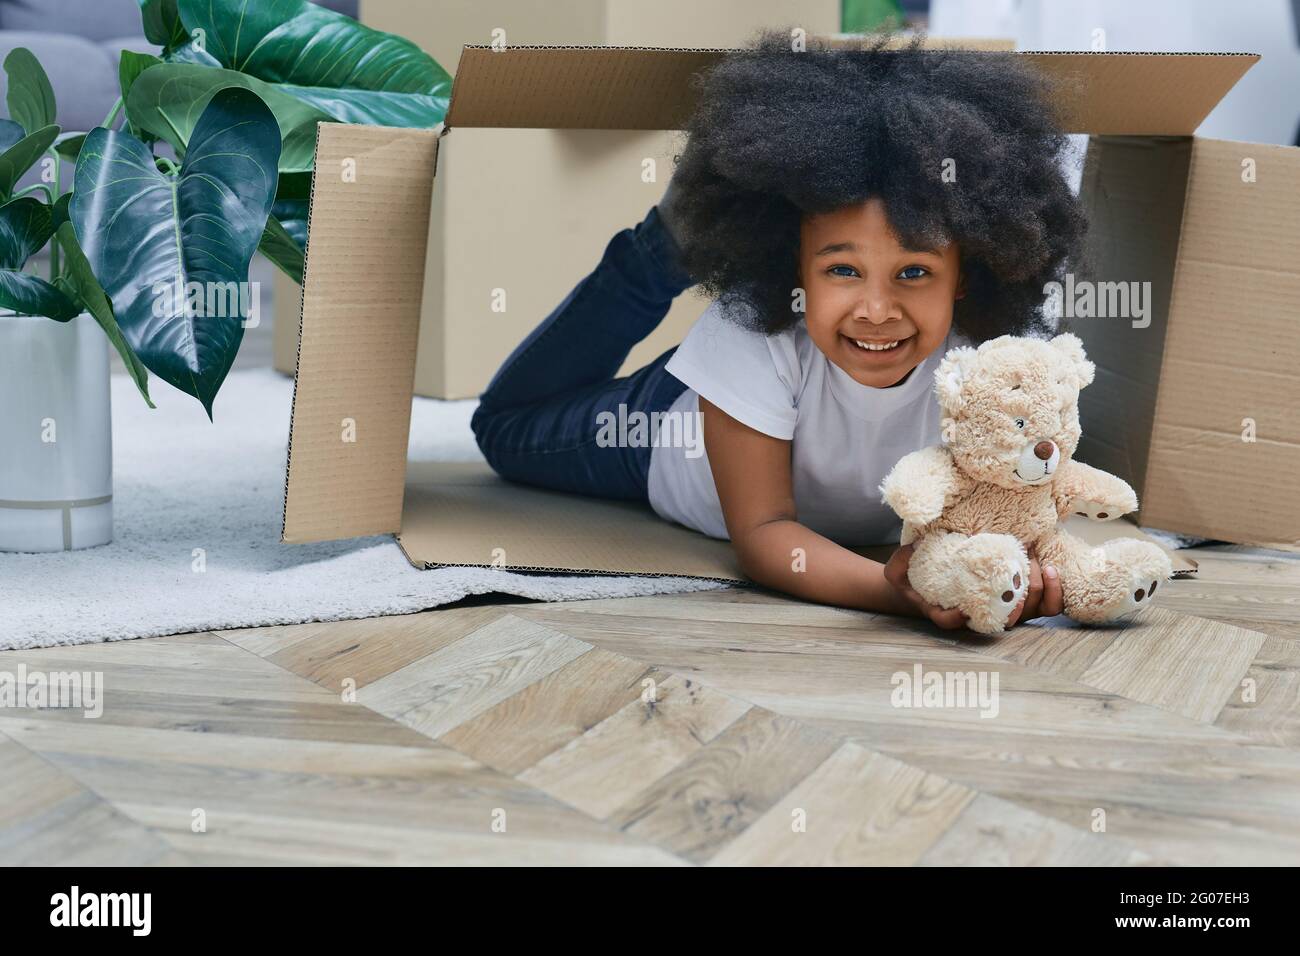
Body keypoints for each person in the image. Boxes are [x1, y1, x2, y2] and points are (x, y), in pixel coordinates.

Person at [471, 33, 1086, 630]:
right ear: (794, 268)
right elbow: (765, 535)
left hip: (765, 383)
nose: (877, 309)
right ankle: (660, 250)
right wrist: (903, 595)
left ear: (964, 277)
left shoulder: (990, 365)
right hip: (669, 426)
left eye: (914, 272)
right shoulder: (753, 332)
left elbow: (1012, 501)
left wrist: (1018, 572)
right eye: (843, 269)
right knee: (501, 430)